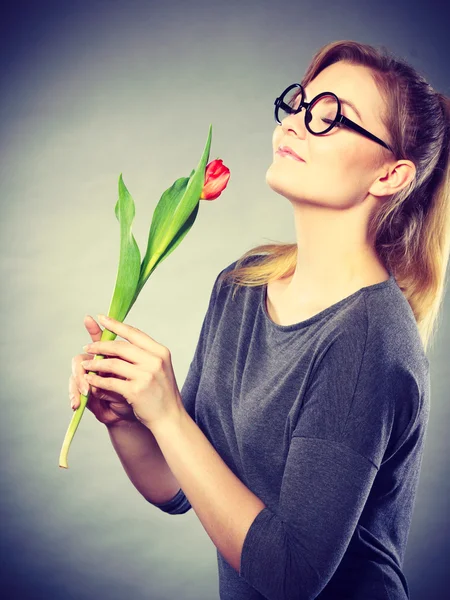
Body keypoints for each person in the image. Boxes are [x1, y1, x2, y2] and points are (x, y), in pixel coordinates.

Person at [68, 40, 450, 599]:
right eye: (300, 105)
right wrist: (128, 418)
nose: (296, 123)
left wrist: (170, 415)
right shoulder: (244, 284)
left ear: (390, 176)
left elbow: (290, 576)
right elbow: (179, 485)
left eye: (331, 117)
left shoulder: (369, 343)